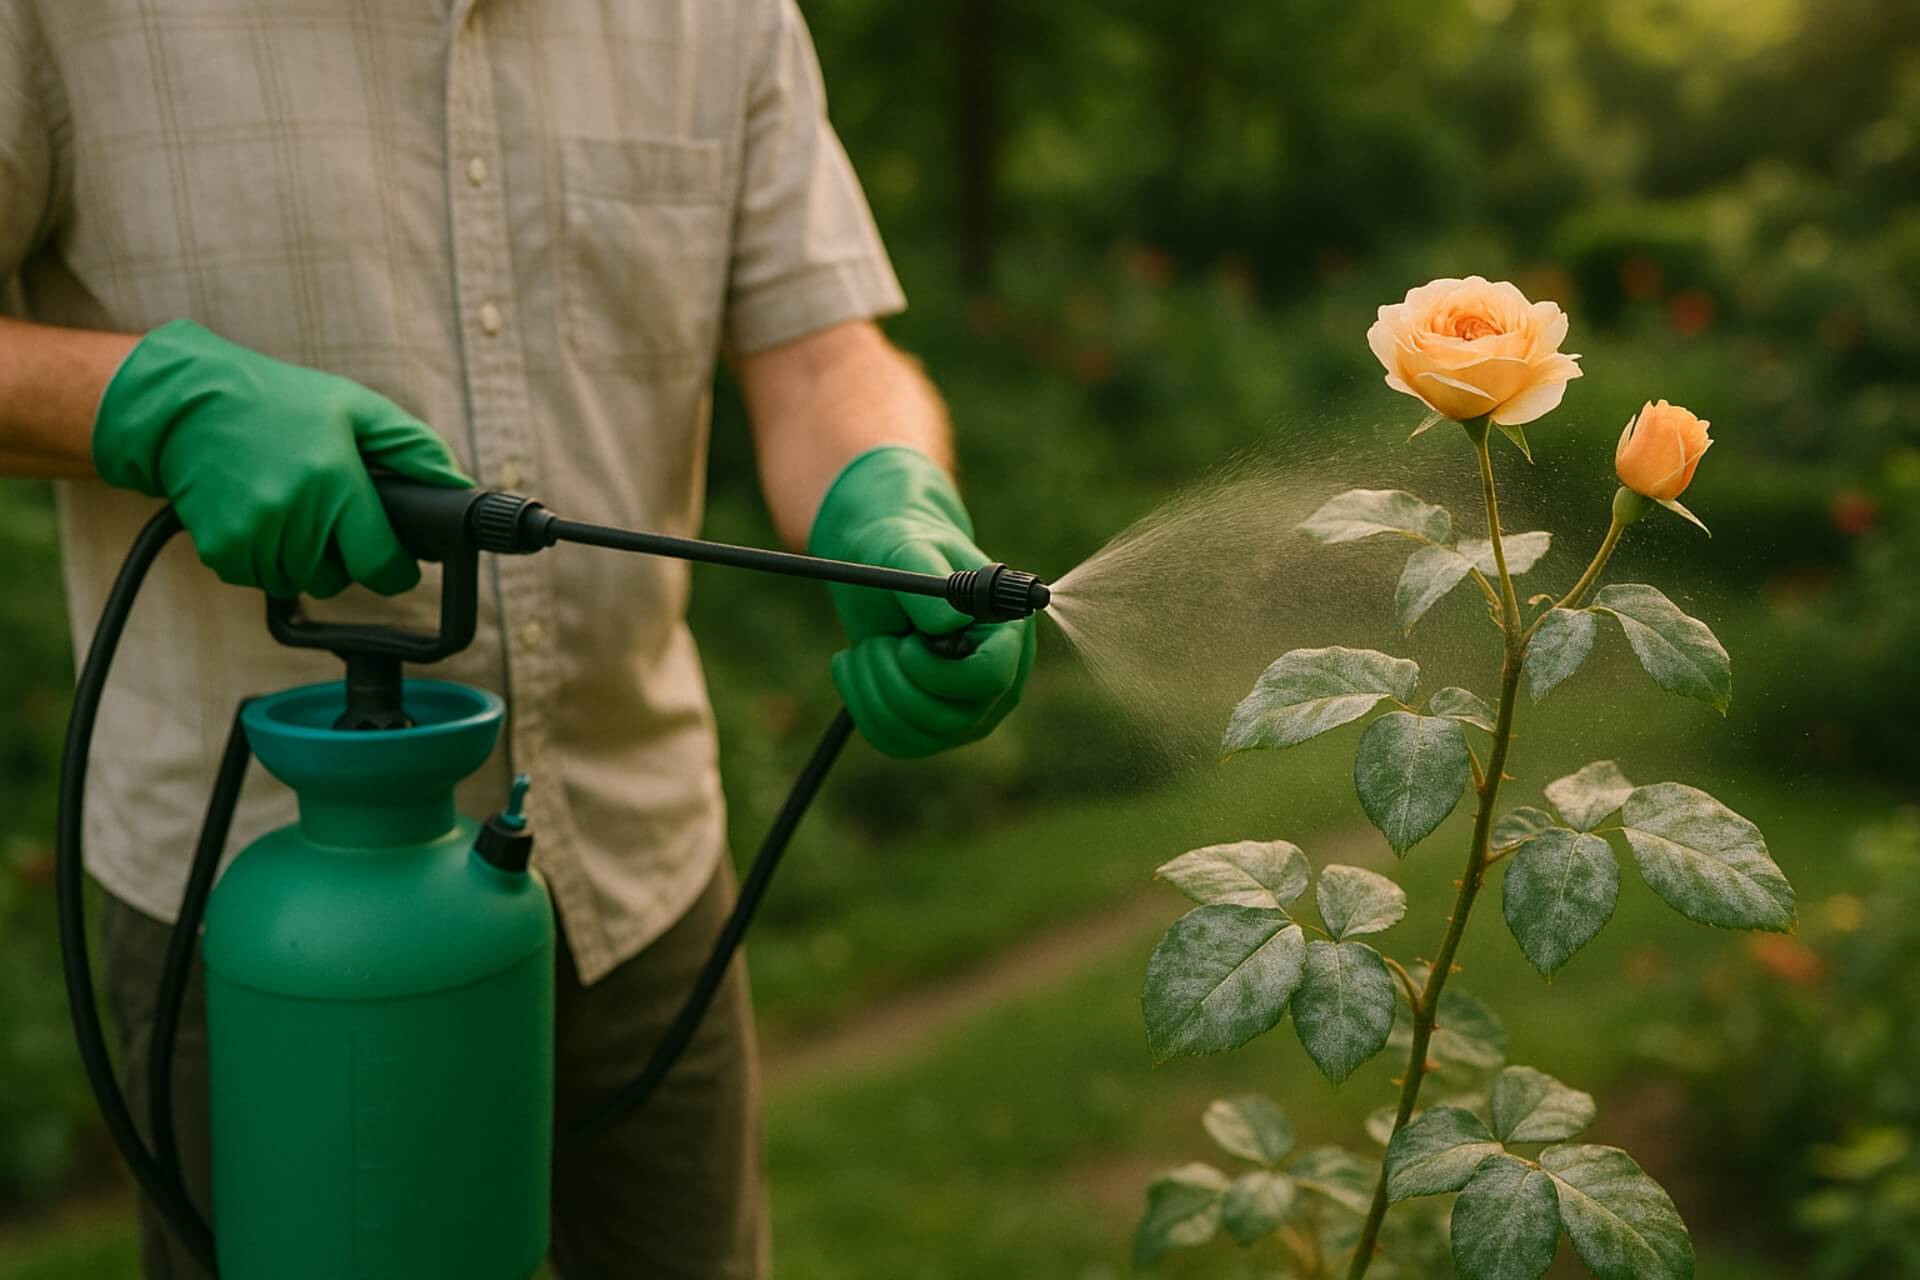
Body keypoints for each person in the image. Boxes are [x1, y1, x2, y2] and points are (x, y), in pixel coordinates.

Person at [0, 1, 1033, 1275]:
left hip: (640, 876)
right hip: (254, 908)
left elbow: (823, 352)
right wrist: (145, 402)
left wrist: (889, 489)